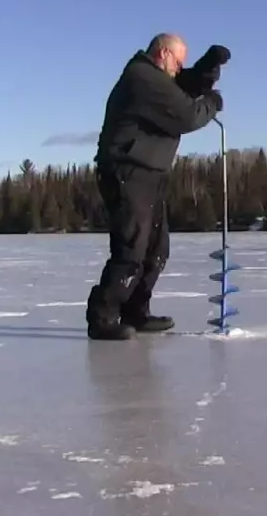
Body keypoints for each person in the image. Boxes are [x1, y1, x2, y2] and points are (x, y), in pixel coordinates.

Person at [85, 32, 229, 340]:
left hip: (150, 172)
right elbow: (186, 115)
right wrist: (212, 103)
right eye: (178, 62)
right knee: (132, 247)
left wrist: (205, 70)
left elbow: (180, 86)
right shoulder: (141, 77)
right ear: (163, 54)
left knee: (156, 250)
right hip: (127, 170)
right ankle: (103, 316)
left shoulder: (156, 77)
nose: (180, 68)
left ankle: (136, 311)